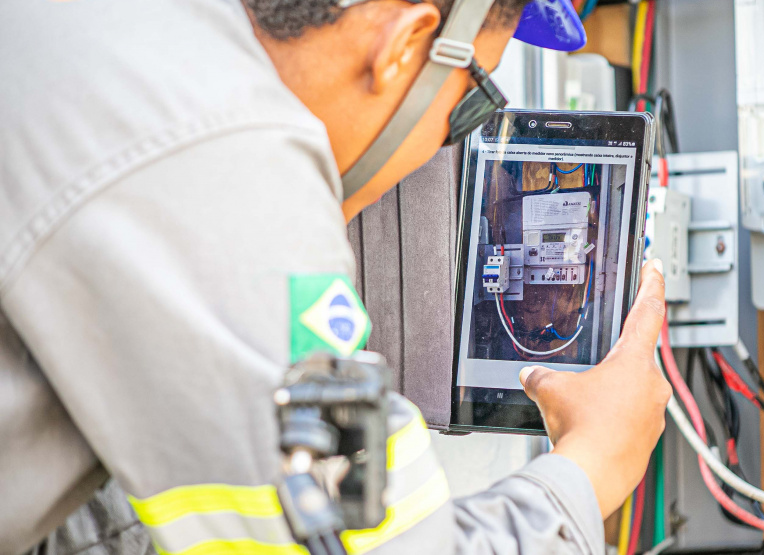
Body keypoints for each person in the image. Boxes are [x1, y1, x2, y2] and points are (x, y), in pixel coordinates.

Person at [0, 0, 672, 553]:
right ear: (404, 44)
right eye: (469, 110)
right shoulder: (220, 146)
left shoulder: (118, 42)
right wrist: (591, 462)